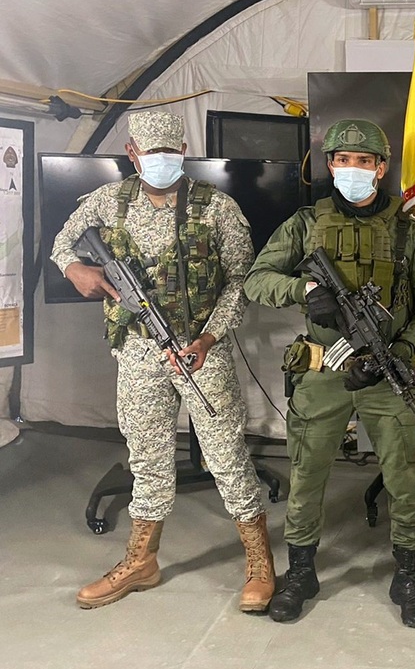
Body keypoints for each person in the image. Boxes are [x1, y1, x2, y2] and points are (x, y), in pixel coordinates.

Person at [51, 110, 273, 612]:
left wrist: (209, 337)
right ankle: (141, 561)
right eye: (152, 154)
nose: (162, 161)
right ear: (133, 154)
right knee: (147, 459)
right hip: (137, 350)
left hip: (201, 352)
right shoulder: (109, 201)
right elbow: (63, 243)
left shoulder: (217, 208)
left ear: (184, 153)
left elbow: (242, 282)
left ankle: (260, 562)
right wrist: (74, 269)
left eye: (171, 153)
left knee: (226, 456)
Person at [243, 119, 415, 628]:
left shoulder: (410, 231)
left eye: (364, 161)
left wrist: (403, 351)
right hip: (322, 370)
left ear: (381, 167)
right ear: (330, 165)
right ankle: (301, 572)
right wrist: (304, 291)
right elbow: (256, 280)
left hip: (387, 369)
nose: (353, 169)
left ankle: (408, 573)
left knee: (403, 477)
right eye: (343, 160)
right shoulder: (304, 225)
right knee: (307, 473)